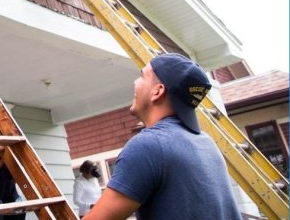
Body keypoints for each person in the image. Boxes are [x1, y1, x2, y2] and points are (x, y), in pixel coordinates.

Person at [83, 53, 242, 220]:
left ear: (157, 91)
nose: (135, 82)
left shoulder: (148, 146)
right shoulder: (206, 143)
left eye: (142, 76)